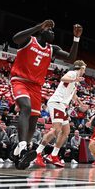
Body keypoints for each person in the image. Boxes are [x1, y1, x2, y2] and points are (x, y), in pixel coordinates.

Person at [10, 20, 82, 169]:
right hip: (20, 80)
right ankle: (23, 146)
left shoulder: (52, 49)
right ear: (42, 31)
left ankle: (20, 152)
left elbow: (71, 58)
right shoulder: (29, 40)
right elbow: (15, 38)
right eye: (50, 30)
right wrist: (38, 26)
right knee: (26, 108)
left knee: (33, 120)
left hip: (36, 87)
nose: (53, 32)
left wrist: (76, 39)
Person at [35, 60, 87, 167]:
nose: (84, 71)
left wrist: (81, 104)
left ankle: (53, 155)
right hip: (57, 102)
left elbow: (73, 95)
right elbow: (63, 78)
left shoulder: (75, 80)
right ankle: (37, 153)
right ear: (81, 68)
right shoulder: (73, 73)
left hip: (62, 106)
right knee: (56, 130)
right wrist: (75, 79)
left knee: (66, 131)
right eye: (84, 69)